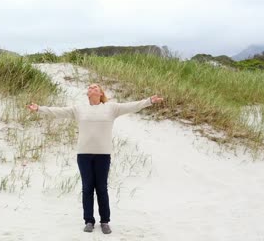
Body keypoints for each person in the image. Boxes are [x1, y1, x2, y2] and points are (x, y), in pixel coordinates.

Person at [26, 83, 163, 234]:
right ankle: (89, 221)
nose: (92, 88)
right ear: (87, 93)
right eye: (90, 87)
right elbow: (58, 112)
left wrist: (149, 101)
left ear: (101, 93)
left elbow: (131, 106)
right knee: (87, 189)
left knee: (102, 188)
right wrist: (39, 108)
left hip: (103, 154)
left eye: (96, 87)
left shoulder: (111, 108)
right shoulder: (79, 109)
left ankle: (105, 221)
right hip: (83, 154)